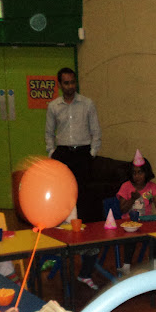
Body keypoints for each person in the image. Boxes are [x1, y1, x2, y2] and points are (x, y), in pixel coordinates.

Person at [45, 67, 102, 221]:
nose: (70, 86)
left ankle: (83, 225)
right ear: (59, 85)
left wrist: (92, 153)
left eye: (72, 82)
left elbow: (96, 131)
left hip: (83, 152)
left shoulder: (87, 104)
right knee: (62, 190)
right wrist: (51, 152)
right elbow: (49, 132)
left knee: (83, 192)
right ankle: (63, 222)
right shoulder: (53, 106)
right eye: (66, 83)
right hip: (63, 153)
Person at [116, 151, 156, 275]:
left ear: (146, 173)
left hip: (147, 222)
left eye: (140, 172)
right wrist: (132, 199)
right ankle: (126, 265)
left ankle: (153, 260)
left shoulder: (152, 186)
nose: (137, 176)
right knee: (131, 236)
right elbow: (122, 209)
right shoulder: (126, 186)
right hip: (129, 223)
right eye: (134, 173)